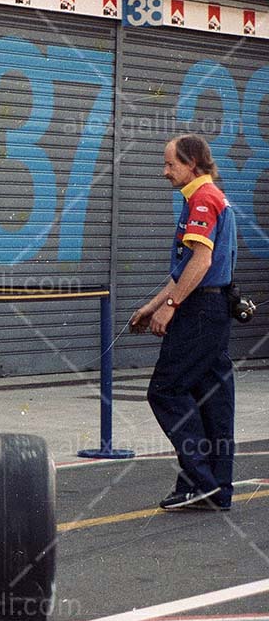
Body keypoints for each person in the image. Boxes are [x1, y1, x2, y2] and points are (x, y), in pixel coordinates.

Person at [129, 134, 236, 511]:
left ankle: (199, 480)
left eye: (170, 164)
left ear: (192, 163)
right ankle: (215, 488)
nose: (165, 172)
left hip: (199, 311)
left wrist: (170, 306)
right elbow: (187, 268)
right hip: (214, 307)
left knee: (166, 391)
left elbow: (200, 263)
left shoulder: (202, 200)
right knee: (212, 399)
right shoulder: (213, 197)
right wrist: (152, 305)